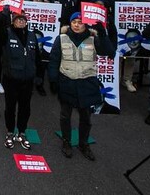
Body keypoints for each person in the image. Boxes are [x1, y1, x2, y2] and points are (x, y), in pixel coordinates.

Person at [48, 12, 114, 160]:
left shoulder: (94, 39)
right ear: (70, 23)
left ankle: (83, 143)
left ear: (86, 24)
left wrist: (103, 34)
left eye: (80, 22)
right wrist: (53, 80)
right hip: (67, 81)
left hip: (87, 82)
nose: (77, 25)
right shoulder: (61, 38)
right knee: (65, 115)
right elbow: (54, 60)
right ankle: (66, 142)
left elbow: (109, 52)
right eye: (74, 22)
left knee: (86, 117)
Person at [0, 11, 39, 150]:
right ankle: (10, 132)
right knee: (10, 107)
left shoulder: (33, 35)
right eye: (18, 20)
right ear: (13, 22)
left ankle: (22, 132)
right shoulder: (6, 33)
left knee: (25, 108)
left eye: (23, 20)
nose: (21, 22)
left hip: (27, 79)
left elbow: (37, 57)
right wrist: (3, 15)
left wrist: (38, 76)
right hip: (11, 79)